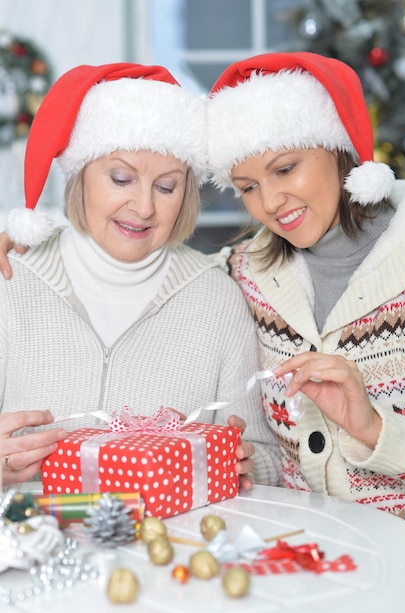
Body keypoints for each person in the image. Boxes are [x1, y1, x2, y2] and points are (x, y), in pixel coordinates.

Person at [0, 62, 281, 489]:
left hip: (168, 552)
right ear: (80, 175)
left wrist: (248, 467)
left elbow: (268, 456)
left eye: (166, 187)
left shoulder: (219, 301)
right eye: (121, 178)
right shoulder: (11, 280)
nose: (144, 207)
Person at [206, 51, 405, 521]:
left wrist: (374, 427)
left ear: (338, 145)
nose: (270, 202)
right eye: (247, 186)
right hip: (301, 558)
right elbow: (156, 271)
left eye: (284, 169)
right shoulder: (246, 270)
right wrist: (35, 243)